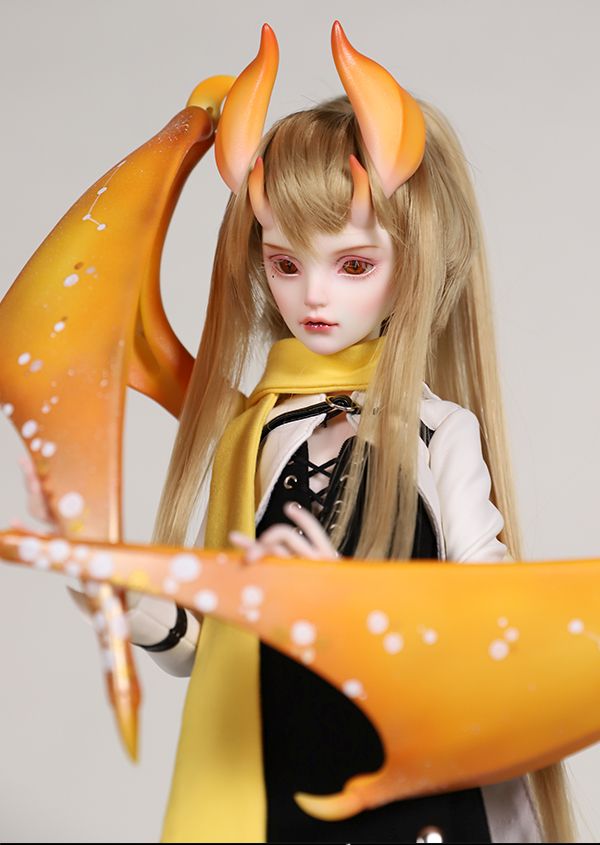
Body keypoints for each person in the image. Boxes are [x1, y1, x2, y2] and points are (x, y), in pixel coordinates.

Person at [21, 20, 575, 845]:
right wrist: (123, 592)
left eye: (353, 264)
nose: (314, 296)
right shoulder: (254, 436)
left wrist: (350, 611)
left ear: (415, 261)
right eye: (285, 262)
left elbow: (492, 633)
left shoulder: (438, 435)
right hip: (280, 791)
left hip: (407, 792)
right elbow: (207, 649)